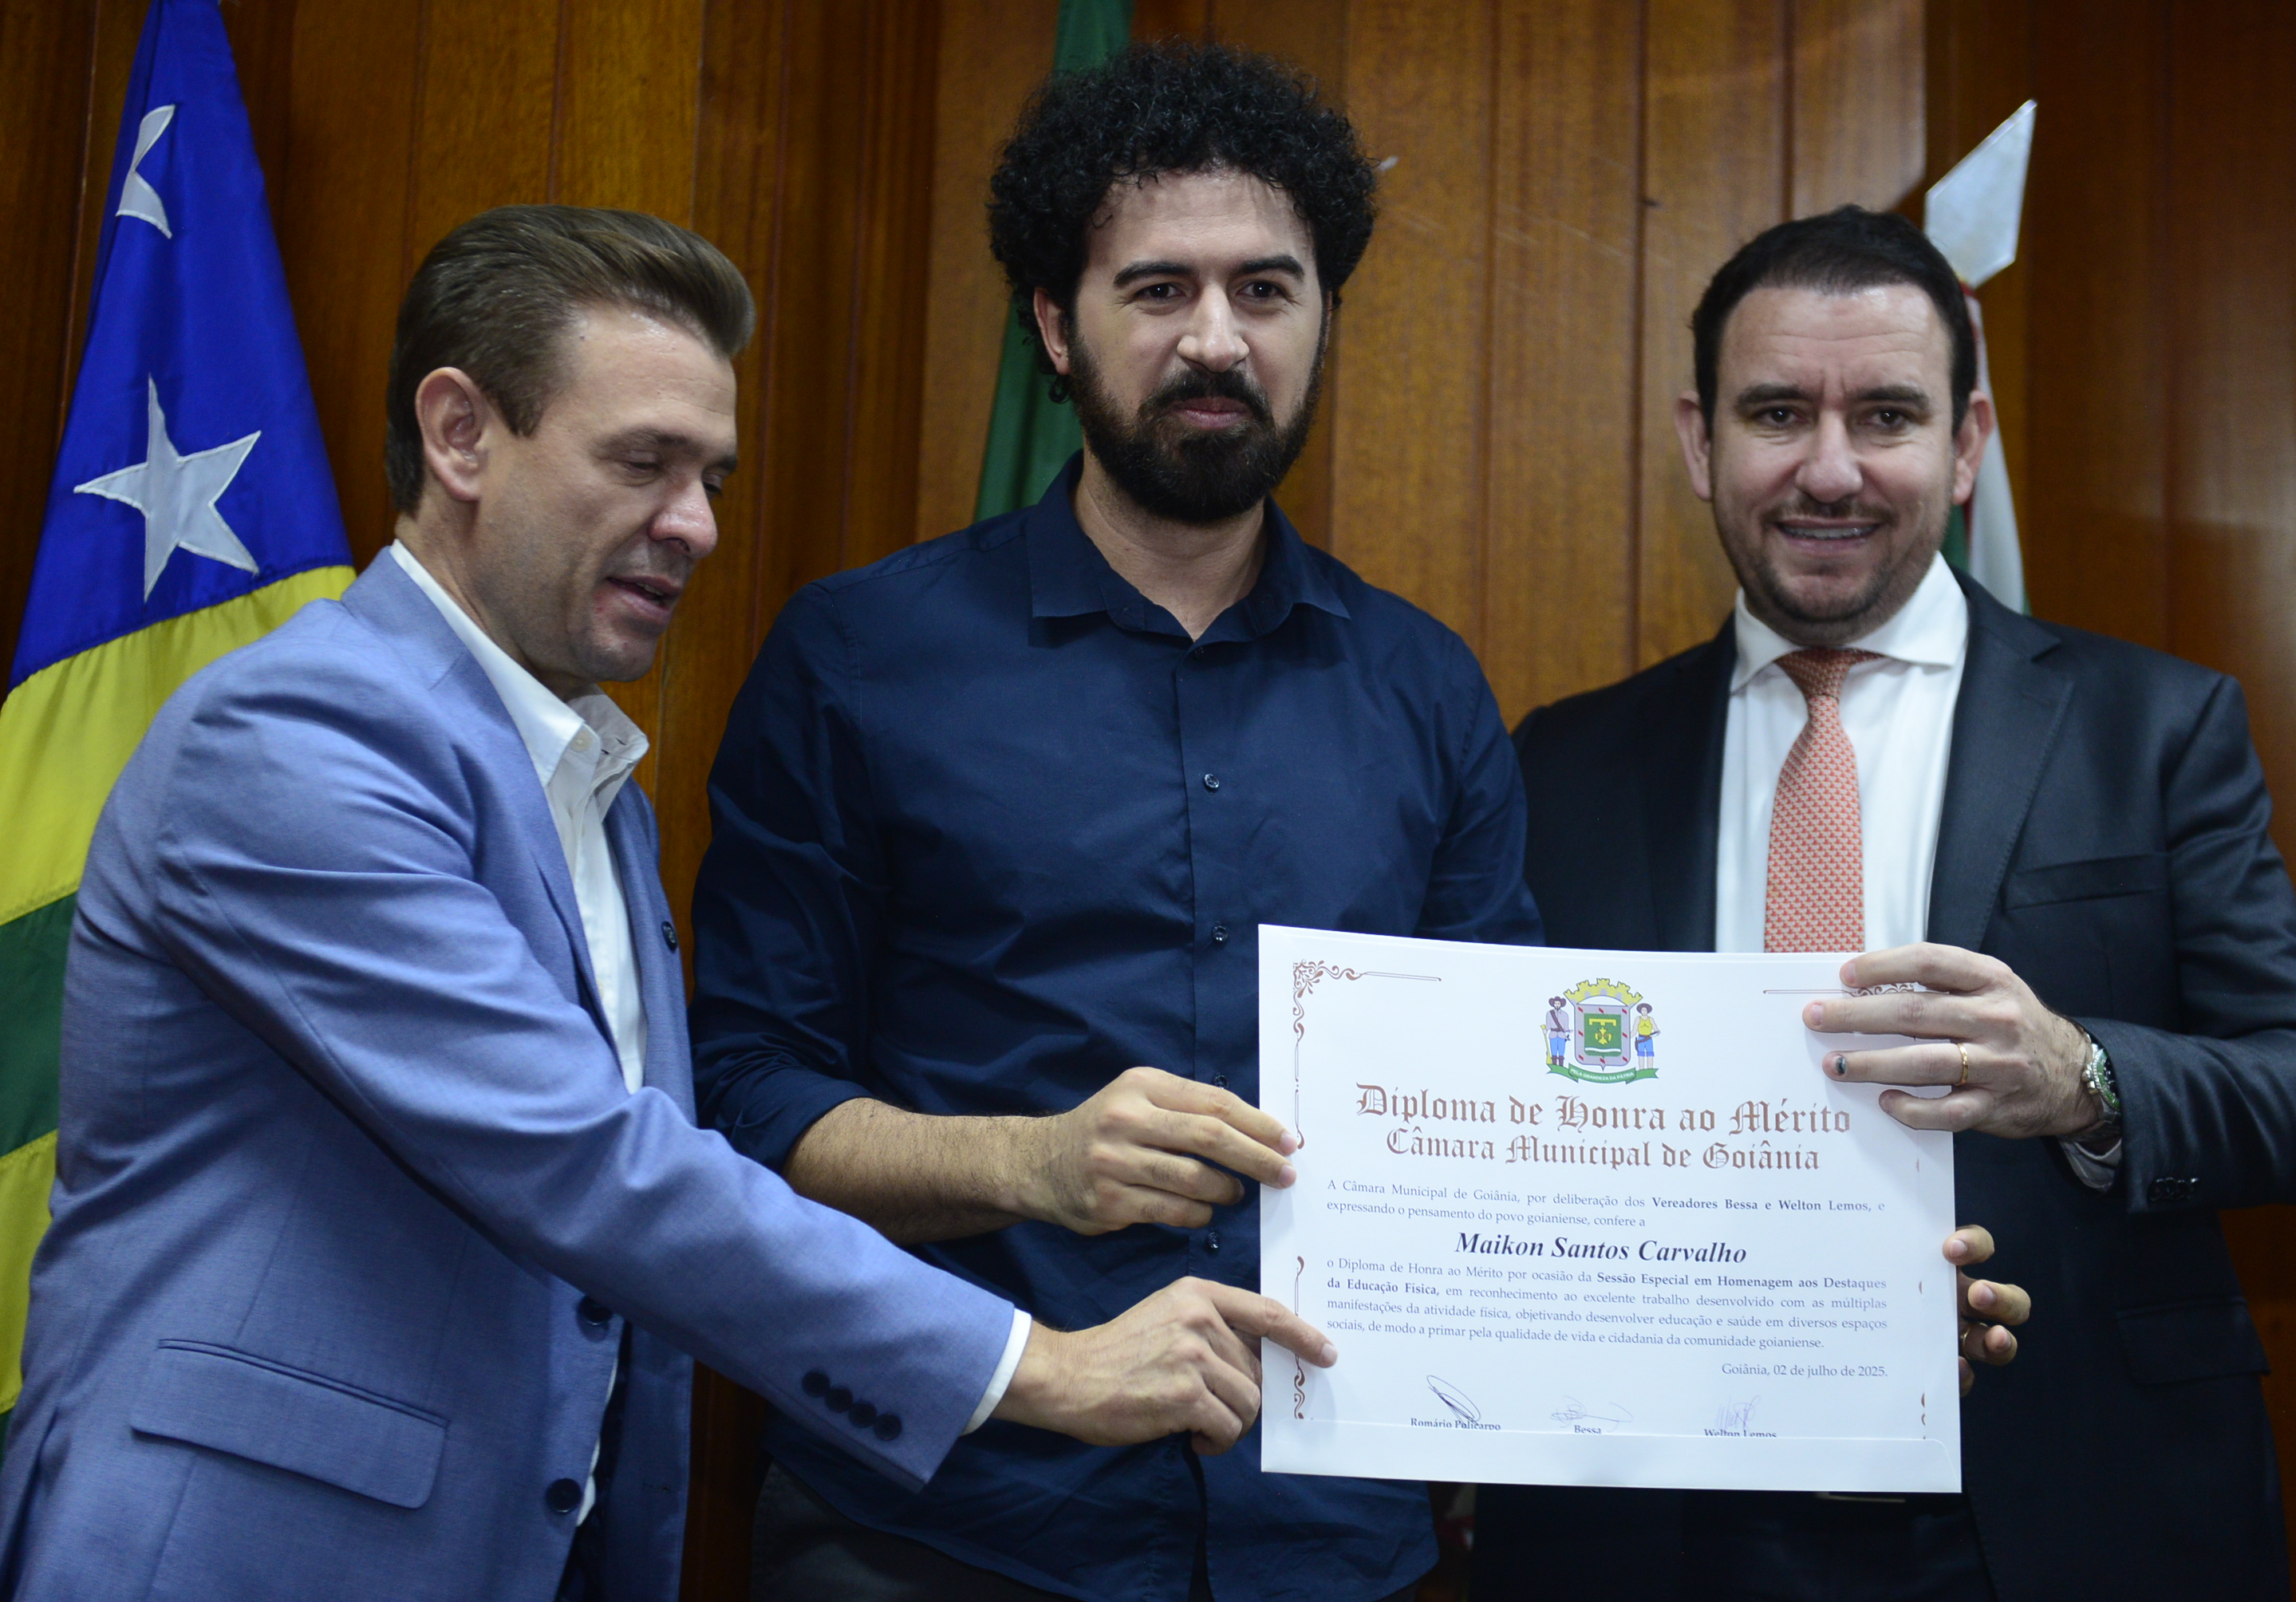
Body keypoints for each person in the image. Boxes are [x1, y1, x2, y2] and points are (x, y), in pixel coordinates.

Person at [689, 50, 2022, 1602]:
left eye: (1266, 289)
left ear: (1322, 319)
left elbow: (1536, 1130)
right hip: (945, 1526)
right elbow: (743, 1093)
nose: (1215, 337)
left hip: (1328, 1541)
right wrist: (1030, 1162)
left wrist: (1842, 1302)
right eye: (1157, 288)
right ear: (1055, 324)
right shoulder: (860, 656)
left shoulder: (1424, 691)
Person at [0, 205, 1331, 1602]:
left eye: (712, 476)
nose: (695, 526)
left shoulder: (593, 785)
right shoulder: (296, 737)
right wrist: (1038, 1365)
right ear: (460, 436)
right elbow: (588, 1163)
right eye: (642, 463)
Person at [1481, 204, 2296, 1601]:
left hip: (2067, 1498)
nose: (1830, 469)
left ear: (1966, 446)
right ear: (1700, 441)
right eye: (1778, 412)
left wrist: (2082, 1078)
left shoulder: (2153, 729)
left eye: (1887, 416)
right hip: (1663, 1524)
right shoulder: (1565, 762)